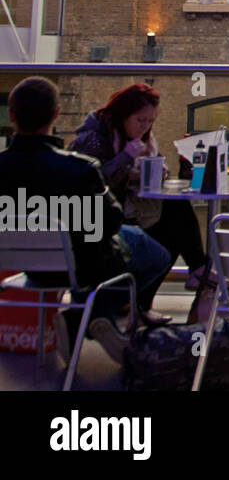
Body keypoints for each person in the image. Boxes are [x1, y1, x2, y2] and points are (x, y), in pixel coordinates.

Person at [0, 76, 171, 365]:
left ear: (11, 115)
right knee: (157, 254)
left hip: (25, 268)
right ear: (56, 114)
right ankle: (84, 316)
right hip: (80, 268)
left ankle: (89, 320)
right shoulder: (79, 168)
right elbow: (110, 223)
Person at [69, 83, 220, 324]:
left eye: (150, 121)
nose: (145, 127)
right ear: (122, 115)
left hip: (128, 212)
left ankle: (184, 277)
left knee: (174, 214)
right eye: (140, 120)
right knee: (169, 228)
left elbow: (150, 171)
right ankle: (195, 271)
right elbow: (92, 182)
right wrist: (126, 159)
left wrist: (157, 171)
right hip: (101, 222)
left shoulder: (142, 140)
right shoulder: (93, 140)